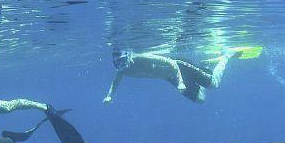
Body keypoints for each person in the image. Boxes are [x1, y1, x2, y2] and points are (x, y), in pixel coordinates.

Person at [103, 46, 260, 104]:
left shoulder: (140, 57)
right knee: (200, 99)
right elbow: (115, 81)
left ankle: (227, 55)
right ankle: (206, 67)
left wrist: (180, 83)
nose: (123, 65)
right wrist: (110, 95)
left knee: (214, 85)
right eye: (119, 64)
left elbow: (171, 63)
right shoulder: (123, 70)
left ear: (128, 56)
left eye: (124, 60)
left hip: (178, 66)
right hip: (170, 77)